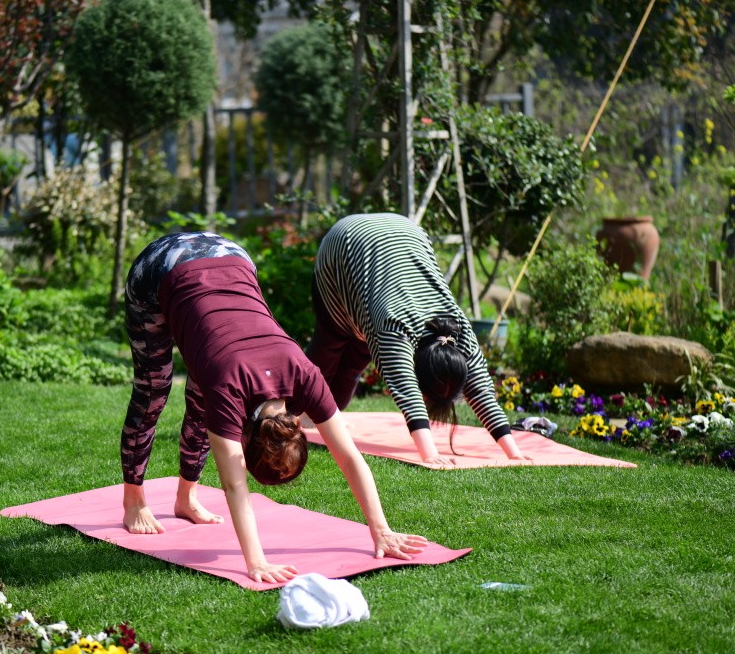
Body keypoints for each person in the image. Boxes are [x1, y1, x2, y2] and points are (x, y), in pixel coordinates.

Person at [120, 231, 428, 584]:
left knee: (202, 396)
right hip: (162, 266)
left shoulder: (305, 375)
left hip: (232, 253)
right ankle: (134, 502)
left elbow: (350, 458)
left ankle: (185, 500)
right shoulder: (230, 388)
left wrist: (382, 530)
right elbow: (235, 487)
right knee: (153, 390)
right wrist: (256, 562)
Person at [307, 212, 528, 465]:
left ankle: (324, 411)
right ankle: (296, 408)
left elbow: (481, 389)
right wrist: (430, 454)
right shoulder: (394, 327)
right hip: (343, 246)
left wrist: (513, 450)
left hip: (402, 236)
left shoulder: (459, 328)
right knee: (330, 346)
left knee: (356, 358)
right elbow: (407, 391)